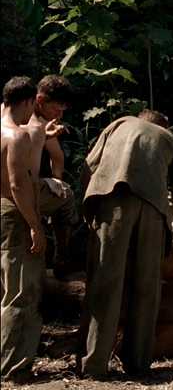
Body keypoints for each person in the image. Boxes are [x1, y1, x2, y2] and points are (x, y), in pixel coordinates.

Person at [79, 109, 173, 378]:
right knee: (146, 286)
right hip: (151, 209)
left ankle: (94, 365)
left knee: (105, 284)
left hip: (110, 201)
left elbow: (88, 166)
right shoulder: (166, 137)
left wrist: (89, 210)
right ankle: (138, 364)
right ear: (163, 125)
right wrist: (167, 217)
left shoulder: (118, 124)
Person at [1, 77, 58, 381]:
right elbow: (17, 184)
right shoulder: (17, 135)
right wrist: (35, 226)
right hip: (15, 214)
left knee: (5, 289)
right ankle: (13, 367)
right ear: (25, 102)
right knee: (22, 292)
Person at [30, 75, 79, 277]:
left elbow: (56, 158)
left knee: (61, 191)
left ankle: (59, 258)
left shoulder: (39, 119)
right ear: (40, 100)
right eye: (56, 109)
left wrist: (56, 181)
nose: (58, 115)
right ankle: (61, 259)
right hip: (20, 187)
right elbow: (57, 156)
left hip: (26, 183)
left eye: (62, 111)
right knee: (67, 197)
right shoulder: (35, 121)